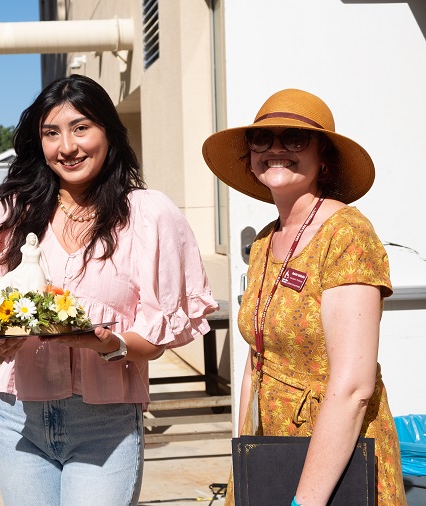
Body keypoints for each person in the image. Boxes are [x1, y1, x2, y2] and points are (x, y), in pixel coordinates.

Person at [0, 74, 218, 505]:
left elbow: (156, 340)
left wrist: (108, 343)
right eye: (51, 133)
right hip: (18, 415)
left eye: (81, 127)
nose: (67, 147)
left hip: (104, 422)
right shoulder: (12, 212)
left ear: (108, 131)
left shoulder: (148, 215)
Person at [201, 88, 406, 505]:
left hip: (337, 459)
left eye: (294, 139)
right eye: (263, 139)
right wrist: (244, 466)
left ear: (324, 157)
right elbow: (256, 362)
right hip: (273, 452)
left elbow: (353, 387)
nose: (276, 149)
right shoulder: (264, 241)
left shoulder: (347, 235)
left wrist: (304, 501)